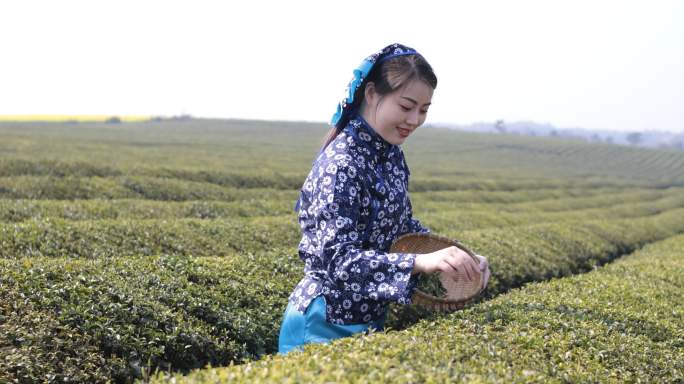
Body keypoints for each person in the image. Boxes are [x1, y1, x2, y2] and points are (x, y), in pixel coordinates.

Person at [278, 43, 490, 355]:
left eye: (424, 110)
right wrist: (420, 261)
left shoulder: (389, 157)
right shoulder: (341, 165)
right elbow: (340, 261)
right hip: (322, 322)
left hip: (367, 319)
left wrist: (456, 256)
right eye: (406, 107)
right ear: (372, 94)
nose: (414, 119)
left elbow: (402, 230)